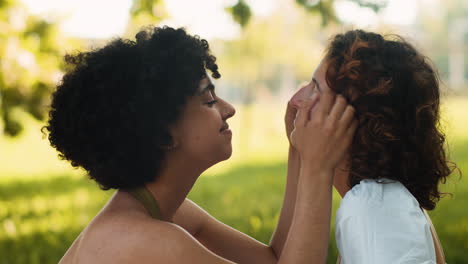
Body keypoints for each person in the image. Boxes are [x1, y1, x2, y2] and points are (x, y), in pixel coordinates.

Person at [45, 26, 357, 264]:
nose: (228, 109)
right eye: (208, 99)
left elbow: (273, 259)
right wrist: (318, 170)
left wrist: (299, 150)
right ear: (163, 136)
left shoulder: (166, 213)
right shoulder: (150, 242)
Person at [291, 30, 457, 264]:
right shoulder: (378, 201)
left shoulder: (369, 209)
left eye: (315, 88)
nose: (296, 100)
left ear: (353, 117)